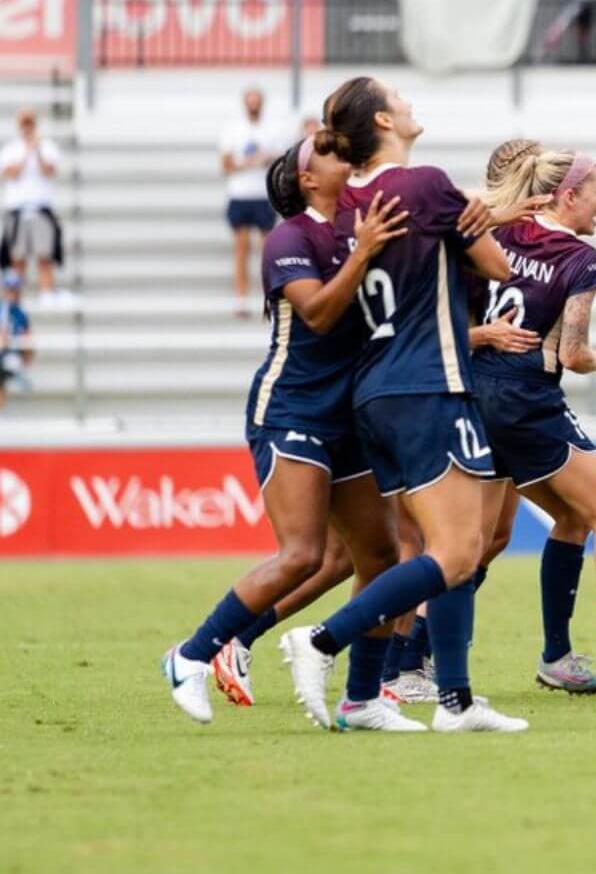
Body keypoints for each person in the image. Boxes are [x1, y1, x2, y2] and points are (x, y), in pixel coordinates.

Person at [278, 77, 534, 734]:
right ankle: (323, 641)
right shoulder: (422, 186)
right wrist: (470, 222)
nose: (411, 104)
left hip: (374, 393)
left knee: (429, 549)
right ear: (386, 120)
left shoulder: (345, 209)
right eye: (400, 97)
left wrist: (464, 218)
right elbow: (500, 267)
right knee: (457, 552)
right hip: (428, 384)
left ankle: (415, 699)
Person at [162, 137, 409, 728]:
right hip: (292, 410)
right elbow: (319, 314)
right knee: (301, 555)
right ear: (305, 177)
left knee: (379, 554)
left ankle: (363, 696)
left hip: (349, 415)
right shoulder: (290, 237)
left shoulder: (359, 225)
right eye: (326, 150)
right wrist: (365, 252)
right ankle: (190, 656)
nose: (343, 156)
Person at [472, 146, 596, 696]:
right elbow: (573, 353)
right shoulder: (578, 258)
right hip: (525, 399)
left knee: (506, 533)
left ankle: (552, 655)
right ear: (567, 195)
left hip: (473, 394)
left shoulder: (498, 232)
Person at [220, 86, 288, 314]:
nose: (253, 105)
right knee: (241, 249)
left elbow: (281, 160)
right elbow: (226, 165)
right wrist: (249, 163)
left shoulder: (272, 129)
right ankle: (241, 298)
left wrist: (265, 159)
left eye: (256, 100)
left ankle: (269, 297)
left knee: (267, 250)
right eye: (250, 100)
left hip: (263, 194)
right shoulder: (233, 129)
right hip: (240, 194)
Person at [0, 108, 63, 301]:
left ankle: (47, 295)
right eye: (24, 124)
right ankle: (15, 298)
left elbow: (49, 170)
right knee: (17, 259)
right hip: (18, 211)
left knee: (45, 256)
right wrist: (27, 153)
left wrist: (38, 150)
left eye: (30, 123)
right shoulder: (11, 148)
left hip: (41, 211)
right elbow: (10, 173)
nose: (27, 128)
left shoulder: (47, 147)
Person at [0, 272, 33, 412]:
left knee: (8, 369)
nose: (12, 293)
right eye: (9, 289)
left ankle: (16, 370)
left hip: (14, 351)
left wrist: (27, 352)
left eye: (14, 290)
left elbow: (26, 332)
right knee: (0, 378)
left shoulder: (21, 311)